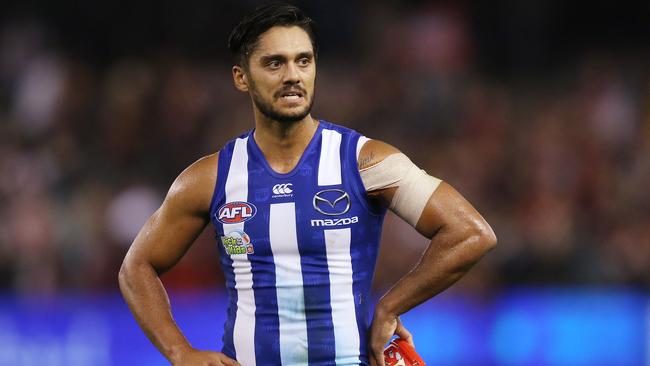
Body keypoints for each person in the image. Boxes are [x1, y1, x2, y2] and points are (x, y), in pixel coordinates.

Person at [118, 3, 496, 366]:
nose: (292, 76)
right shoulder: (211, 177)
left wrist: (391, 306)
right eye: (274, 63)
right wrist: (180, 353)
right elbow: (136, 267)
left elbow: (470, 233)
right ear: (241, 77)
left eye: (303, 60)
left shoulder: (366, 162)